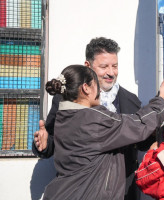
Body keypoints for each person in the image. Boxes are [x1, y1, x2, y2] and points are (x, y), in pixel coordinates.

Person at [33, 37, 149, 199]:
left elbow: (144, 140)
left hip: (123, 192)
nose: (111, 72)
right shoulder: (65, 100)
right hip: (81, 192)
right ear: (88, 66)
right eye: (104, 66)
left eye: (114, 66)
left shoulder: (130, 100)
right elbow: (53, 140)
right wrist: (44, 145)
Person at [41, 65, 164, 199]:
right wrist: (161, 99)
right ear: (86, 88)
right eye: (96, 85)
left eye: (115, 65)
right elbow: (138, 124)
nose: (100, 91)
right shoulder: (93, 119)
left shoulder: (64, 116)